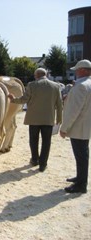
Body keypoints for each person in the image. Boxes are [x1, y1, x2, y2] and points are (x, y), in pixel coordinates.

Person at [8, 68, 62, 172]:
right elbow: (59, 105)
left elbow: (24, 99)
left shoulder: (32, 85)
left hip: (33, 119)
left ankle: (34, 159)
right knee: (47, 142)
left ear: (36, 75)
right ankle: (43, 164)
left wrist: (13, 99)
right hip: (48, 118)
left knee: (33, 140)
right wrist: (59, 119)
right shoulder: (56, 86)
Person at [60, 59, 91, 194]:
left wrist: (64, 127)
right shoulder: (87, 84)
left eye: (77, 70)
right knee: (83, 155)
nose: (76, 73)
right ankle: (80, 178)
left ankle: (81, 184)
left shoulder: (81, 86)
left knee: (81, 155)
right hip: (85, 125)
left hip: (79, 126)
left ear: (83, 70)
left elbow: (74, 111)